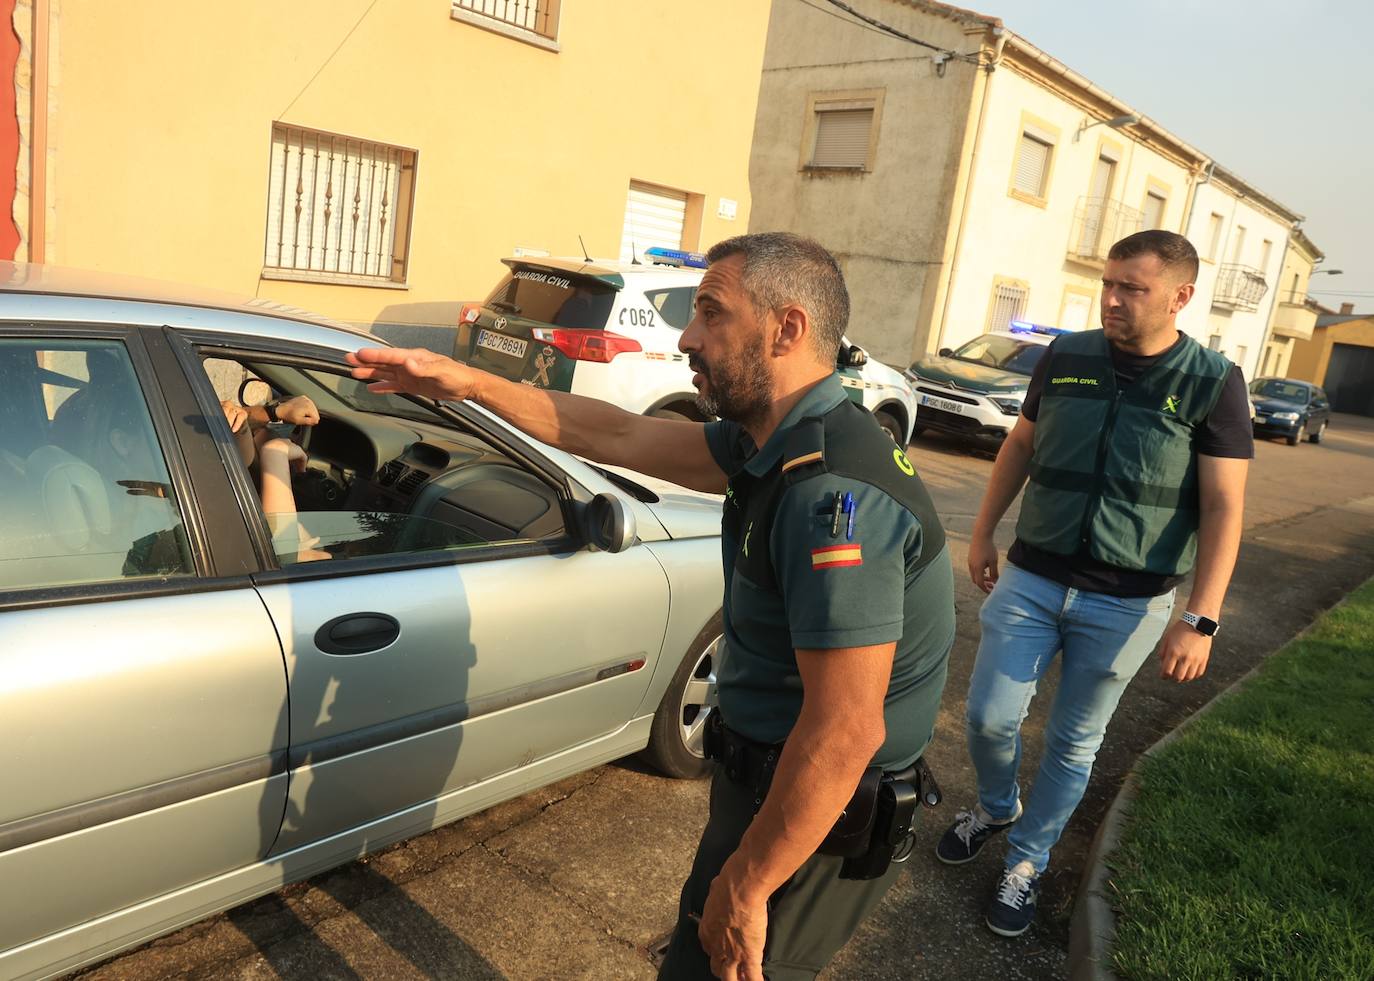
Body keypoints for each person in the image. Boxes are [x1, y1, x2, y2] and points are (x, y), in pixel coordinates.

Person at [348, 232, 955, 980]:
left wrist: (751, 881)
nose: (688, 337)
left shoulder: (830, 492)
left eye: (711, 313)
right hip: (770, 783)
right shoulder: (777, 434)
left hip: (818, 815)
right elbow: (619, 431)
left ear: (787, 328)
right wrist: (469, 385)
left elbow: (844, 730)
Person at [937, 230, 1252, 937]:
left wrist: (1201, 617)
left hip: (1129, 602)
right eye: (1109, 284)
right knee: (989, 716)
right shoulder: (1068, 354)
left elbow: (1226, 504)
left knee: (1076, 741)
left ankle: (1028, 860)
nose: (1112, 298)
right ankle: (995, 805)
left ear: (1180, 297)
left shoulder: (1211, 381)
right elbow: (1020, 441)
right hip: (1033, 576)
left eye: (1132, 288)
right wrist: (984, 531)